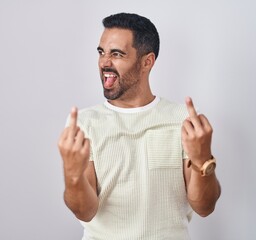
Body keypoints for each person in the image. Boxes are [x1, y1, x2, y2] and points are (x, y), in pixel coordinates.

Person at [58, 13, 221, 240]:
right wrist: (72, 176)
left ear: (147, 62)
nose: (104, 62)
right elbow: (85, 211)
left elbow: (205, 207)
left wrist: (203, 158)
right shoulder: (85, 123)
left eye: (116, 54)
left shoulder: (182, 119)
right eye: (101, 52)